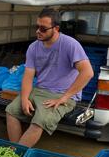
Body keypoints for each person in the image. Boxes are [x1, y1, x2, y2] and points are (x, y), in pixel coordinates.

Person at [5, 8, 94, 148]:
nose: (38, 31)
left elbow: (87, 73)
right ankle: (14, 153)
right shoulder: (33, 47)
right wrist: (24, 99)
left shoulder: (70, 44)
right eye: (36, 27)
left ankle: (14, 155)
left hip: (61, 95)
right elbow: (28, 76)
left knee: (39, 121)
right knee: (11, 112)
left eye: (43, 28)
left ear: (56, 28)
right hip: (39, 89)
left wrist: (64, 98)